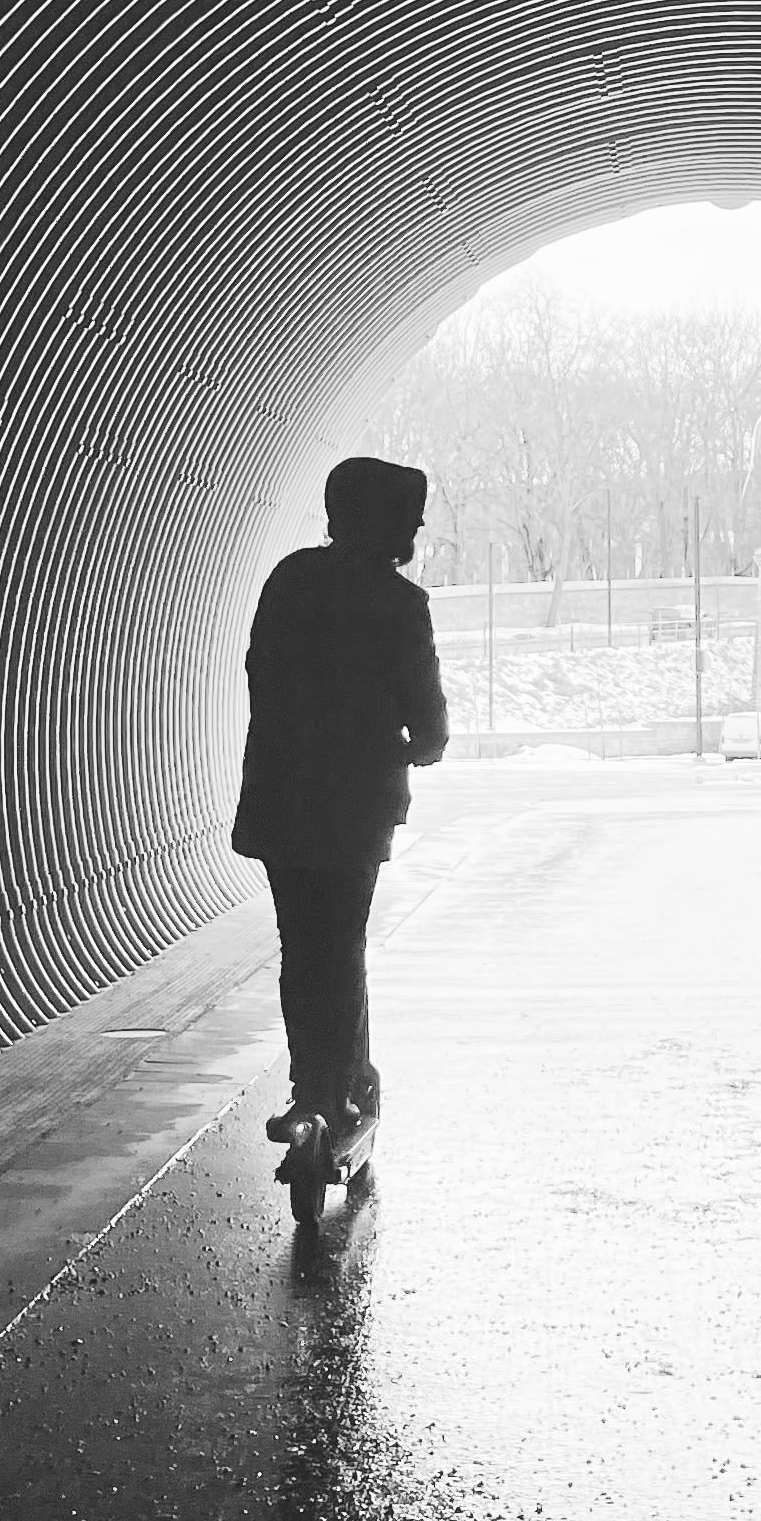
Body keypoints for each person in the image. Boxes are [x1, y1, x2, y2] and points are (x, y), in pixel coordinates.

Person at [232, 454, 449, 1144]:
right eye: (409, 518)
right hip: (355, 810)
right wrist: (418, 746)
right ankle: (344, 1085)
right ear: (386, 522)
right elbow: (429, 720)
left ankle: (312, 1090)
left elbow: (259, 673)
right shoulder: (401, 604)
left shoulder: (292, 579)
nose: (414, 530)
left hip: (283, 799)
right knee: (343, 942)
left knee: (303, 945)